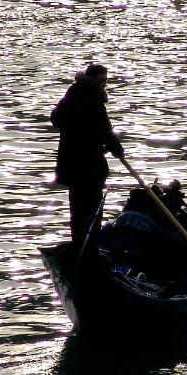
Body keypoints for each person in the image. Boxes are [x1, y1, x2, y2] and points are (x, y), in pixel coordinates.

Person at [50, 63, 124, 247]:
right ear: (92, 80)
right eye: (101, 81)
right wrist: (118, 150)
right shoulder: (94, 100)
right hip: (89, 167)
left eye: (106, 81)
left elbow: (56, 118)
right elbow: (106, 129)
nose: (104, 85)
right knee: (91, 209)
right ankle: (90, 247)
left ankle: (80, 245)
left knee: (77, 210)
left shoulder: (72, 96)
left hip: (72, 167)